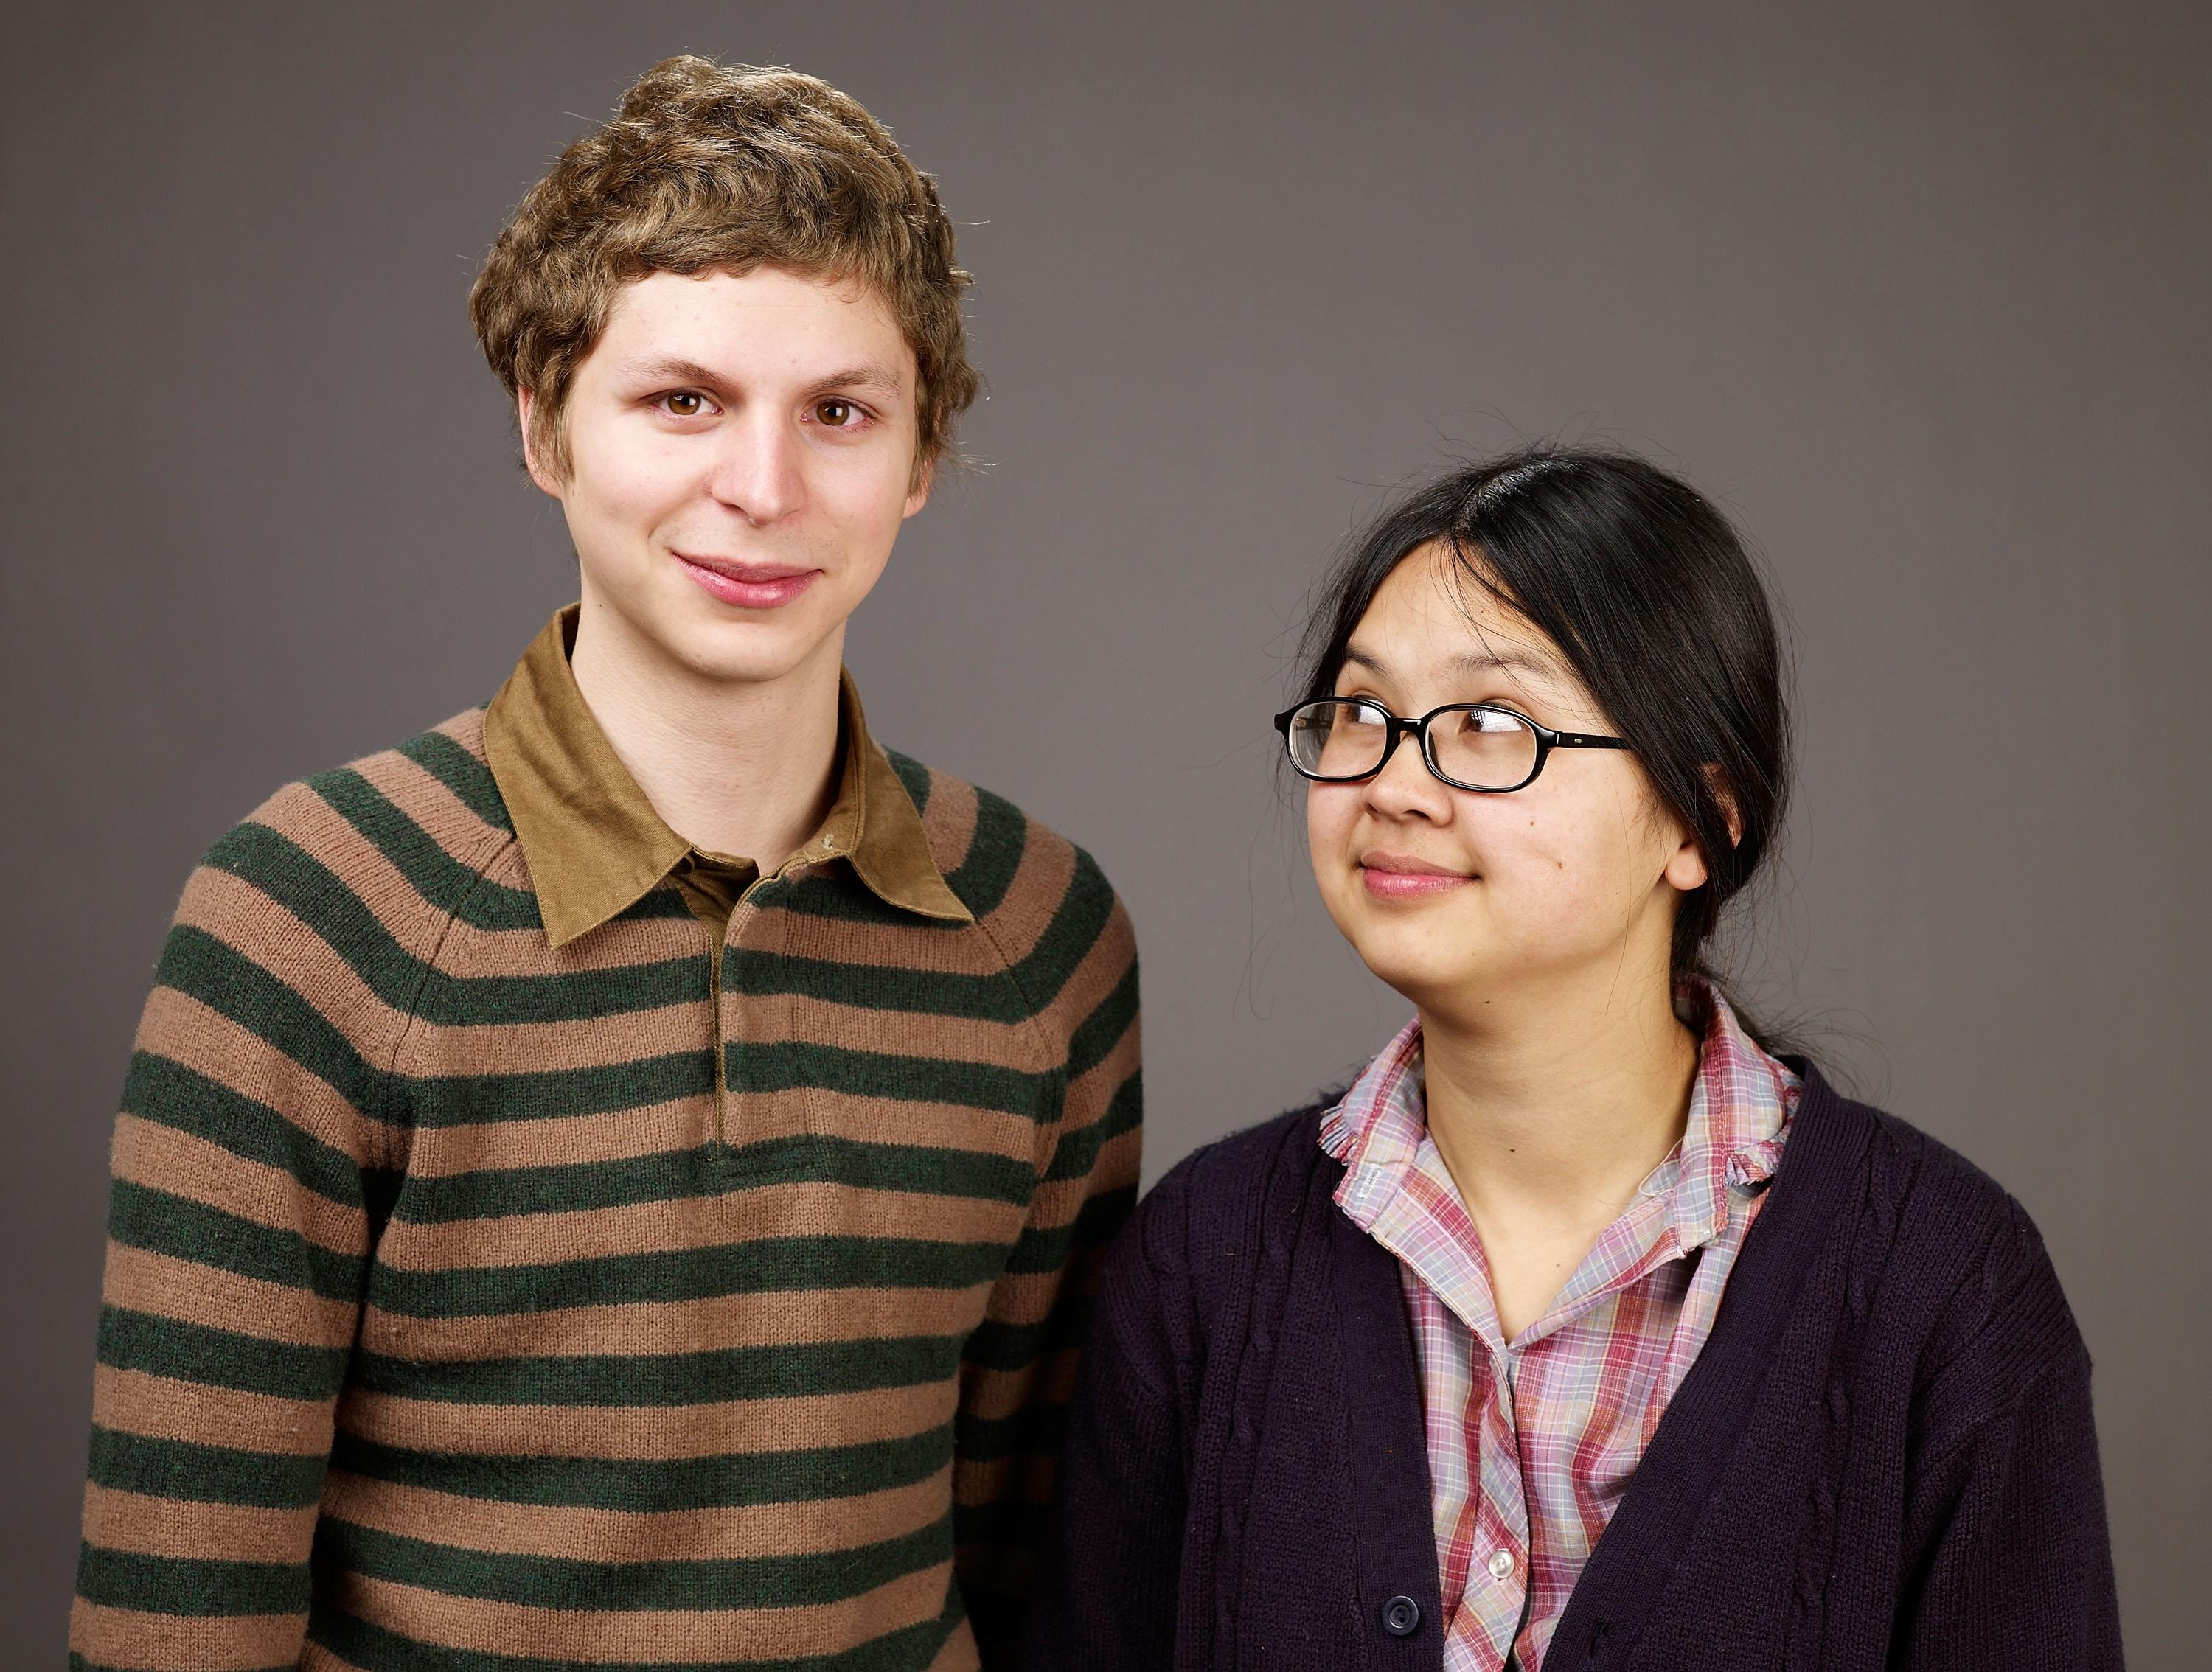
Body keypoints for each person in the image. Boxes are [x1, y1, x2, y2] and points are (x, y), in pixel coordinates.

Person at [70, 56, 1141, 1672]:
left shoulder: (1045, 934)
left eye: (839, 413)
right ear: (544, 427)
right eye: (683, 401)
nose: (763, 491)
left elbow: (1024, 1566)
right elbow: (173, 1634)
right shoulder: (305, 918)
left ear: (919, 462)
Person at [1025, 446, 2120, 1669]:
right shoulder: (1202, 1260)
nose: (1395, 782)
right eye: (1363, 712)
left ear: (1700, 819)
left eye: (1491, 724)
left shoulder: (1947, 1291)